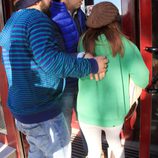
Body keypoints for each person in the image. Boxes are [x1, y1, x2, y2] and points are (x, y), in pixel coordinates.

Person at [0, 0, 108, 157]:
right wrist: (92, 66)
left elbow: (41, 57)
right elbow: (52, 63)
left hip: (22, 110)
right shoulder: (37, 19)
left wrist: (79, 56)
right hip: (42, 111)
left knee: (37, 152)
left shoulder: (12, 22)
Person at [76, 2, 149, 158]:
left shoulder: (83, 42)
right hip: (114, 112)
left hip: (85, 111)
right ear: (116, 21)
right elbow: (143, 79)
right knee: (116, 145)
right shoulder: (126, 45)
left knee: (93, 152)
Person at [50, 0, 86, 134]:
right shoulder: (52, 14)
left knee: (86, 122)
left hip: (83, 78)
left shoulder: (80, 14)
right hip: (64, 82)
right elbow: (53, 55)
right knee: (64, 126)